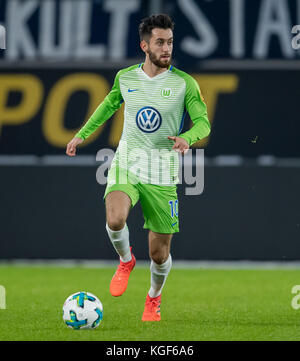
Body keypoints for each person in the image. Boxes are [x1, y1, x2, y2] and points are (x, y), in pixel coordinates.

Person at [66, 14, 210, 322]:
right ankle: (126, 260)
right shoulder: (125, 77)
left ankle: (153, 299)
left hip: (163, 174)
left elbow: (203, 123)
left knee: (159, 255)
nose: (166, 48)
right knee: (115, 218)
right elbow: (107, 106)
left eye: (170, 42)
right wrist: (81, 135)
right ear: (144, 45)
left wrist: (186, 137)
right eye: (160, 42)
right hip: (127, 163)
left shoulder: (185, 83)